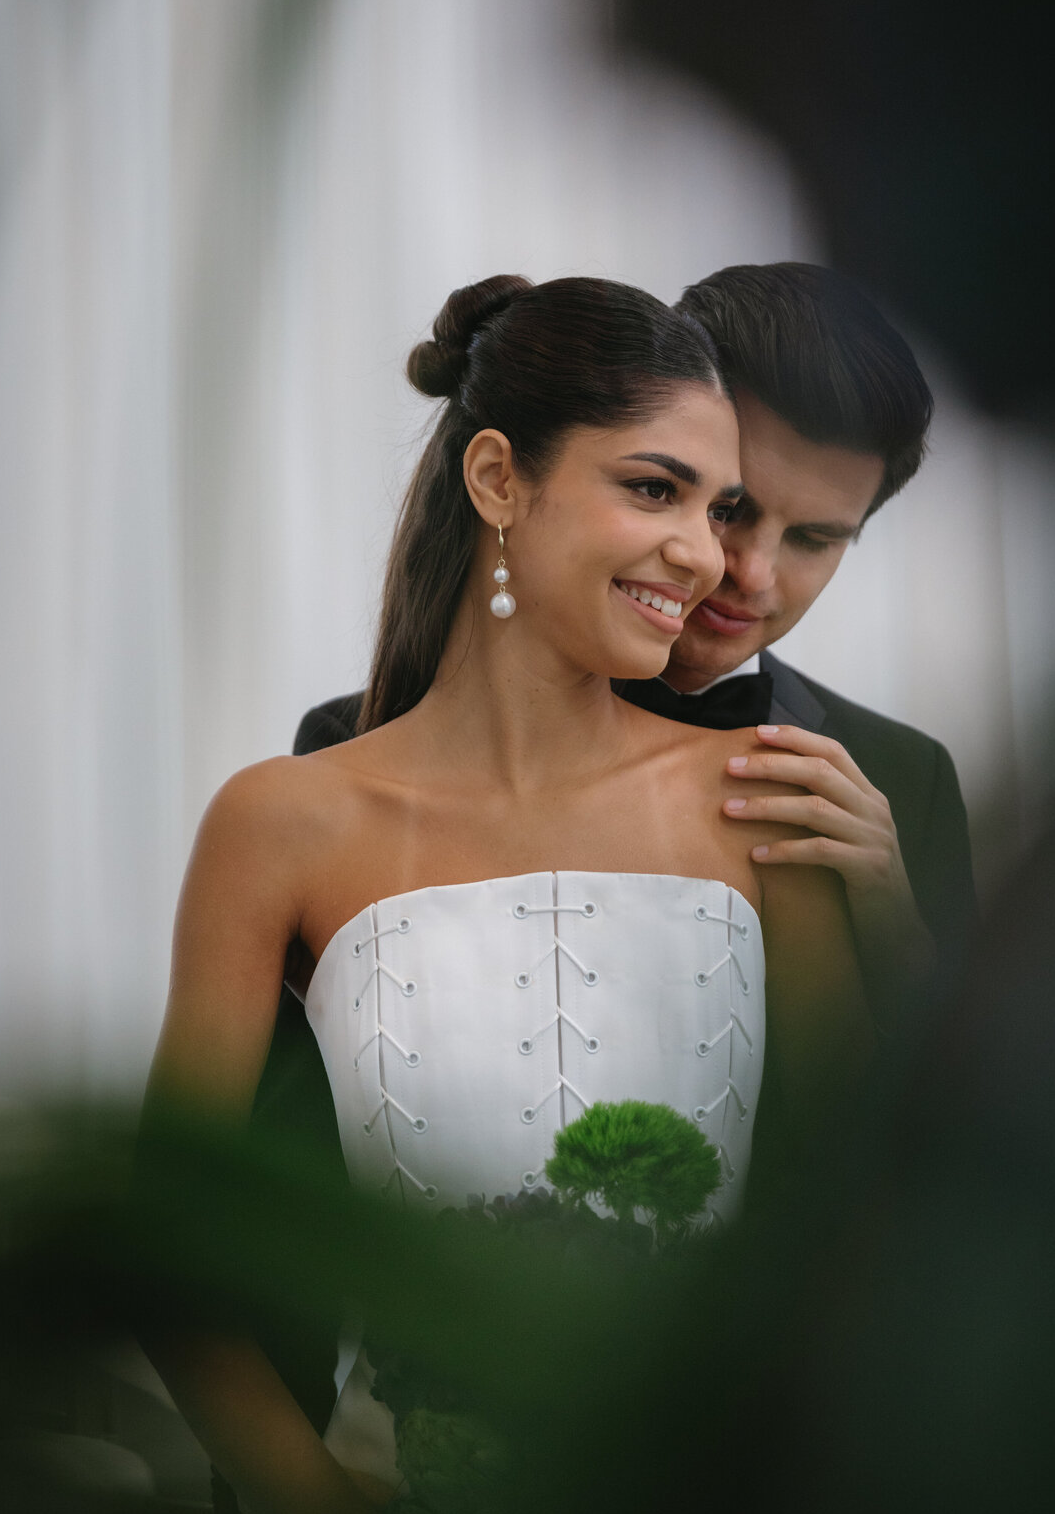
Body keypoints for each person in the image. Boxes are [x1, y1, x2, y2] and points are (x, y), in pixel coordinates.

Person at [144, 273, 869, 1514]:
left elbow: (873, 1219)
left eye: (717, 509)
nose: (705, 556)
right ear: (497, 480)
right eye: (654, 489)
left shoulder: (763, 797)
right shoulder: (279, 823)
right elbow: (163, 1245)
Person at [297, 262, 976, 1011]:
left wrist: (899, 939)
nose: (747, 571)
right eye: (727, 509)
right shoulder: (343, 757)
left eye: (814, 539)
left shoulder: (905, 781)